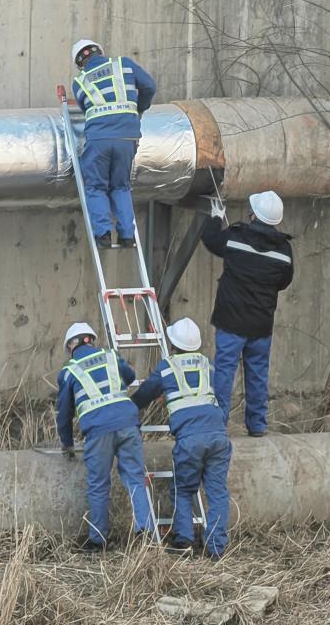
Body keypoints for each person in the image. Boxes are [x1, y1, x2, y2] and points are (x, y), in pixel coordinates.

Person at [131, 317, 231, 560]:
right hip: (218, 435)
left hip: (190, 439)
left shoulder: (167, 367)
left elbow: (146, 393)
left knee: (183, 490)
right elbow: (221, 393)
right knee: (218, 493)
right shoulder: (208, 365)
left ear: (172, 343)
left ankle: (183, 541)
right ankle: (216, 548)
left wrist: (130, 407)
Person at [56, 321, 155, 551]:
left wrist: (67, 444)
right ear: (91, 339)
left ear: (71, 346)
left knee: (99, 485)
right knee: (135, 478)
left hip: (98, 431)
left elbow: (64, 414)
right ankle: (146, 532)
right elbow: (129, 376)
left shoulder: (69, 371)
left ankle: (98, 539)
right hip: (128, 423)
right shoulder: (110, 355)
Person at [201, 191, 294, 437]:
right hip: (261, 324)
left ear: (254, 215)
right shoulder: (284, 251)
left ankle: (218, 424)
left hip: (231, 321)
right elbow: (284, 282)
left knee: (224, 372)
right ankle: (257, 425)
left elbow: (210, 240)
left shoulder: (235, 238)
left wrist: (215, 217)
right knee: (257, 375)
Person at [70, 39, 157, 248]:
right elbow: (150, 86)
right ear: (100, 51)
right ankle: (127, 236)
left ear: (80, 63)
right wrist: (138, 109)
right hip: (127, 137)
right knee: (121, 185)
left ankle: (103, 235)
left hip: (99, 139)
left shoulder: (80, 81)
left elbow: (85, 110)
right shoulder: (123, 64)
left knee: (96, 186)